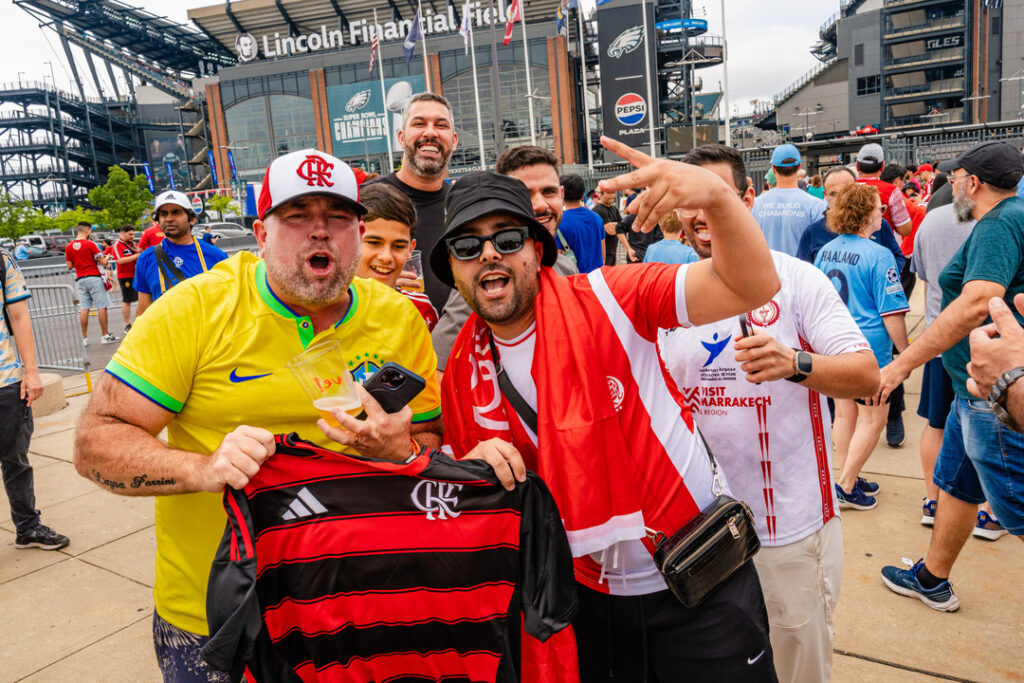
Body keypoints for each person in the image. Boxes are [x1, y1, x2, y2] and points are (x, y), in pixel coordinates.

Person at [73, 148, 444, 681]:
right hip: (215, 615)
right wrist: (202, 469)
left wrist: (402, 449)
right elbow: (95, 443)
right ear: (261, 234)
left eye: (337, 217)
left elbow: (429, 433)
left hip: (357, 602)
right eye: (297, 216)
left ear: (358, 233)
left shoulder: (397, 318)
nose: (320, 232)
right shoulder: (195, 310)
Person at [433, 135, 782, 679]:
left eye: (505, 238)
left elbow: (752, 284)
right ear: (453, 269)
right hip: (584, 602)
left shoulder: (612, 297)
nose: (488, 255)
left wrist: (716, 195)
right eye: (466, 246)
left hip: (697, 583)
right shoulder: (460, 372)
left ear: (535, 247)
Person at [659, 144, 877, 683]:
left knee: (798, 669)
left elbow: (867, 374)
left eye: (719, 195)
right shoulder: (669, 295)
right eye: (692, 199)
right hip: (703, 535)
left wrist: (795, 363)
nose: (703, 213)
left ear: (747, 197)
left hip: (790, 534)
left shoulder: (798, 279)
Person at [878, 141, 1024, 611]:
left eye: (956, 176)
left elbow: (979, 299)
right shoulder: (1009, 216)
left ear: (973, 183)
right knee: (958, 489)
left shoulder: (1000, 223)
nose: (952, 183)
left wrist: (904, 362)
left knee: (1017, 511)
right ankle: (933, 577)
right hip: (974, 392)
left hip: (994, 399)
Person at [432, 145, 578, 374]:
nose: (540, 204)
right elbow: (440, 367)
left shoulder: (566, 267)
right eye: (525, 194)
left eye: (548, 192)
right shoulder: (484, 279)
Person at [816, 182, 909, 511]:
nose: (881, 213)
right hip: (869, 349)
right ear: (865, 214)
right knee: (873, 418)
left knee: (844, 414)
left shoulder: (826, 251)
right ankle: (845, 485)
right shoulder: (880, 255)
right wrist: (906, 353)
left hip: (834, 344)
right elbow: (892, 312)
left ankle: (849, 477)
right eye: (877, 208)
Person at [0, 248, 70, 551]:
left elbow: (18, 315)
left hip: (5, 381)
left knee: (16, 459)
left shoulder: (2, 261)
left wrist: (31, 372)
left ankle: (27, 528)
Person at [910, 202, 974, 528]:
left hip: (939, 338)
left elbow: (920, 273)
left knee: (936, 424)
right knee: (991, 428)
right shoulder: (999, 220)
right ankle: (989, 513)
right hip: (985, 342)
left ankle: (932, 501)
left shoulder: (931, 219)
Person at [370, 92, 458, 312]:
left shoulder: (463, 206)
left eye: (441, 125)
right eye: (419, 123)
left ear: (454, 141)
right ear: (401, 137)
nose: (430, 132)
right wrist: (374, 282)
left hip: (455, 342)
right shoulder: (366, 200)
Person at [855, 143, 915, 448]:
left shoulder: (848, 188)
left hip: (854, 278)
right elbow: (905, 229)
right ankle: (894, 418)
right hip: (881, 272)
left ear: (857, 166)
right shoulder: (890, 192)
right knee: (888, 350)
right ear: (881, 165)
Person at [355, 181, 438, 330]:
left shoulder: (421, 311)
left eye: (398, 246)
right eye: (374, 242)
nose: (386, 257)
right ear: (352, 239)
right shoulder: (325, 308)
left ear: (410, 249)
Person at [133, 191, 227, 317]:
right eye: (163, 214)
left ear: (192, 219)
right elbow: (143, 312)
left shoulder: (216, 256)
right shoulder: (146, 258)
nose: (169, 218)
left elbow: (228, 304)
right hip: (166, 335)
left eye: (176, 212)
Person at [797, 166, 905, 267]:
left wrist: (880, 276)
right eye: (834, 194)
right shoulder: (813, 232)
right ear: (825, 195)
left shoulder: (876, 223)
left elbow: (898, 257)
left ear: (856, 190)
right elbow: (803, 272)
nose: (841, 199)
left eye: (846, 192)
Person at [752, 143, 827, 256]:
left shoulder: (755, 205)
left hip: (766, 271)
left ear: (773, 168)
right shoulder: (816, 206)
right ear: (799, 167)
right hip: (802, 272)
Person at [65, 221, 116, 346]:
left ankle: (84, 338)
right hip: (94, 278)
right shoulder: (91, 245)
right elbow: (102, 262)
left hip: (80, 279)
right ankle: (104, 335)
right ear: (87, 230)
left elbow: (69, 266)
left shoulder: (69, 246)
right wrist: (108, 257)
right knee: (101, 306)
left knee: (84, 308)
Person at [556, 174, 605, 273]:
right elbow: (603, 255)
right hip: (597, 279)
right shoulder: (597, 218)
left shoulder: (558, 223)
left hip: (574, 281)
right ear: (583, 195)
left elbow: (558, 263)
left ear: (561, 194)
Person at [112, 225, 139, 332]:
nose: (132, 236)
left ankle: (140, 322)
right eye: (130, 234)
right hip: (125, 276)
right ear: (122, 233)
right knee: (127, 300)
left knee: (142, 298)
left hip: (137, 275)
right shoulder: (117, 245)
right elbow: (120, 260)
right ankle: (127, 324)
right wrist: (136, 256)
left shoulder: (133, 244)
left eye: (133, 234)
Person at [592, 189, 622, 266]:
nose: (612, 195)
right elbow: (610, 230)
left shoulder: (614, 209)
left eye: (613, 192)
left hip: (612, 250)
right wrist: (619, 225)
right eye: (608, 193)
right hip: (602, 253)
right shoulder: (598, 210)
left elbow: (624, 227)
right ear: (601, 194)